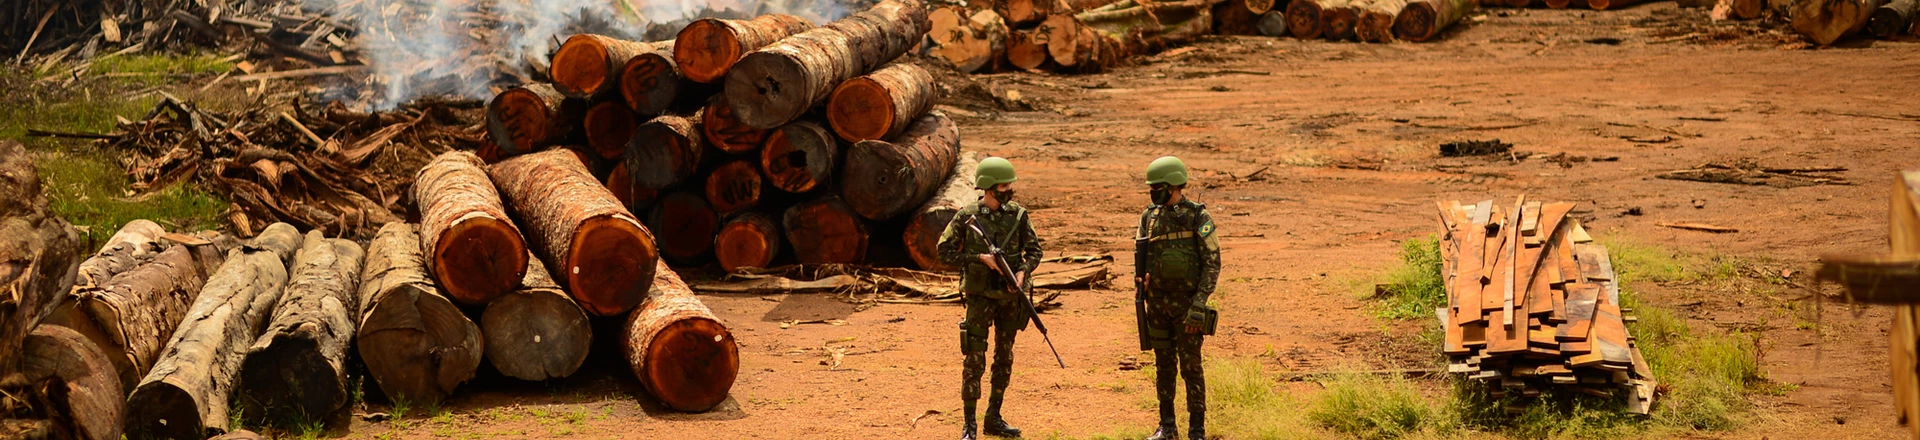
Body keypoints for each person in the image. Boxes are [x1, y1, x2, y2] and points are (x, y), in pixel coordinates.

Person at [938, 156, 1044, 440]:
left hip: (1010, 298)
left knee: (1004, 358)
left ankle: (993, 417)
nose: (1009, 190)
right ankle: (969, 424)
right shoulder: (967, 216)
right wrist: (979, 258)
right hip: (980, 298)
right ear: (988, 187)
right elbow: (944, 252)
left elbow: (1035, 252)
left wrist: (1022, 272)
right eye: (1003, 185)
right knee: (974, 359)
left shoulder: (1019, 216)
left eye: (1010, 185)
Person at [1135, 156, 1221, 440]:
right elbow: (1142, 259)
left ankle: (1197, 431)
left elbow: (1212, 263)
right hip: (1157, 305)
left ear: (1172, 184)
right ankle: (1167, 427)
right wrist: (1142, 281)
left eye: (1157, 186)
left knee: (1191, 368)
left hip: (1187, 308)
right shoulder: (1149, 217)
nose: (1152, 192)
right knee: (1163, 367)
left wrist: (1199, 304)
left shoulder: (1198, 216)